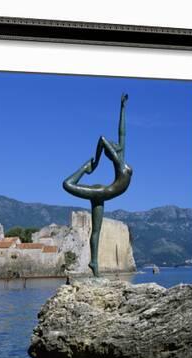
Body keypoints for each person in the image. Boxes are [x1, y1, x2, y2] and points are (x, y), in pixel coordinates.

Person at [62, 93, 133, 277]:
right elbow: (102, 139)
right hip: (100, 192)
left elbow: (122, 132)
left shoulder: (122, 157)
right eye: (115, 145)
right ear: (113, 152)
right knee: (67, 184)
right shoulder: (118, 161)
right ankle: (84, 168)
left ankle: (94, 263)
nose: (117, 144)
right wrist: (96, 163)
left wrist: (123, 108)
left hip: (102, 195)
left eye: (117, 144)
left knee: (96, 231)